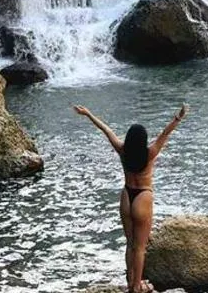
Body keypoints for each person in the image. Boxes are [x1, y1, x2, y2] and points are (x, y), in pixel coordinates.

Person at [73, 103, 189, 293]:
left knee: (130, 243)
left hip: (127, 196)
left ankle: (130, 282)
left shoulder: (122, 150)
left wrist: (88, 113)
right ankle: (137, 286)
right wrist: (179, 117)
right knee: (141, 247)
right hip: (143, 196)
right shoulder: (150, 153)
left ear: (128, 139)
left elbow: (106, 130)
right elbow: (165, 134)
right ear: (143, 141)